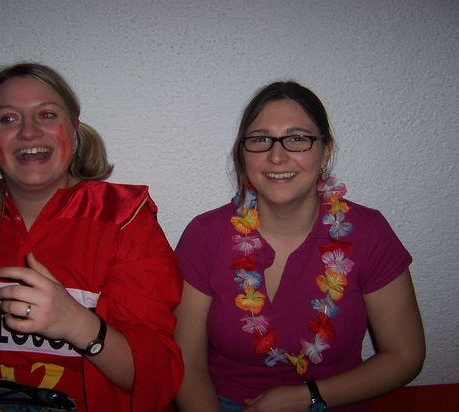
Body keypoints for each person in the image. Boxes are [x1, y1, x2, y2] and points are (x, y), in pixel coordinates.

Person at [0, 62, 183, 412]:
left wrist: (77, 323)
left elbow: (156, 378)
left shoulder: (125, 221)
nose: (28, 132)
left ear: (74, 128)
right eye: (8, 119)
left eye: (47, 114)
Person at [174, 81, 425, 412]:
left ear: (325, 151)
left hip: (332, 403)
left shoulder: (369, 233)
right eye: (260, 139)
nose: (276, 156)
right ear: (243, 153)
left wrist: (306, 396)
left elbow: (405, 355)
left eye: (297, 139)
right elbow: (187, 363)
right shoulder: (204, 235)